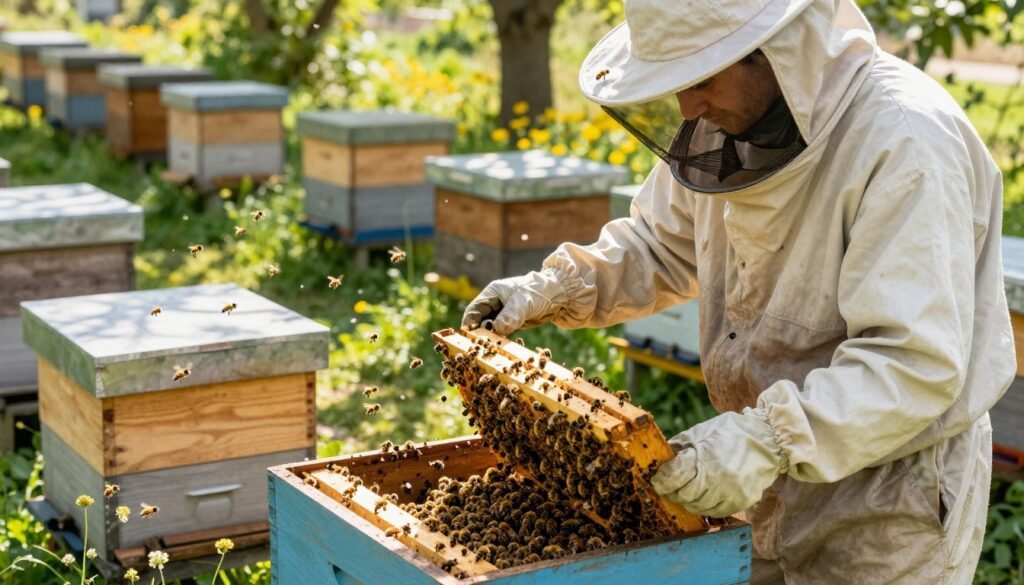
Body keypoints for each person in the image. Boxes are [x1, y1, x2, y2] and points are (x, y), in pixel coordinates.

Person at [461, 0, 1016, 582]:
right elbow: (658, 243)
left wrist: (764, 440)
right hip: (765, 473)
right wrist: (555, 287)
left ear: (775, 50)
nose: (686, 105)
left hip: (888, 497)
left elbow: (911, 362)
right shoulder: (733, 123)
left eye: (700, 77)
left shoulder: (905, 143)